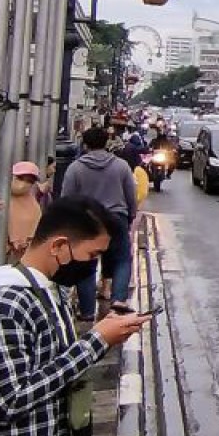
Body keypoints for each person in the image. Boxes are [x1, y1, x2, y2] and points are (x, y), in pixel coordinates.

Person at [0, 196, 150, 436]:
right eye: (91, 256)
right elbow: (9, 400)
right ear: (58, 246)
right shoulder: (3, 307)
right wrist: (95, 342)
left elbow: (51, 367)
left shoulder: (48, 291)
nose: (92, 265)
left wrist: (104, 336)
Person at [61, 127, 137, 320]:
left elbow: (67, 198)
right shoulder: (121, 166)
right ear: (107, 143)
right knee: (121, 259)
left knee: (86, 263)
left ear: (85, 145)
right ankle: (118, 300)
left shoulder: (75, 168)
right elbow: (131, 195)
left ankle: (87, 311)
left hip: (87, 219)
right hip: (116, 217)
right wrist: (131, 215)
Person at [6, 162, 44, 263]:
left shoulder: (33, 205)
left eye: (29, 181)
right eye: (20, 178)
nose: (23, 184)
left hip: (19, 260)